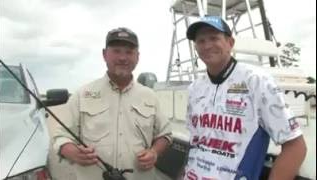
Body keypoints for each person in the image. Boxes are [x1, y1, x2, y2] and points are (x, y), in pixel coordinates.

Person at [183, 16, 307, 180]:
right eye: (200, 41)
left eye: (214, 38)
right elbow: (195, 143)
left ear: (230, 43)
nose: (206, 45)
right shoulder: (194, 88)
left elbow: (296, 146)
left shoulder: (257, 81)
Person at [53, 27, 172, 180]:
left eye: (129, 52)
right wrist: (72, 152)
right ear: (104, 54)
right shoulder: (82, 94)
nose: (123, 58)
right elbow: (60, 136)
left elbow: (165, 134)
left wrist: (154, 152)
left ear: (138, 57)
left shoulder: (150, 96)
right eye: (116, 51)